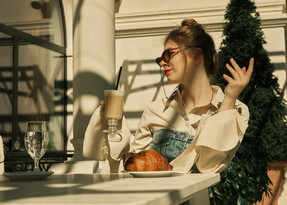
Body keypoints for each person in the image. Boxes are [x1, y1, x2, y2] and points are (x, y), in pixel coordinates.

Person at [83, 19, 254, 174]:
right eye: (160, 58)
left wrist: (229, 99)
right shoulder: (155, 110)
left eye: (168, 54)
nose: (162, 62)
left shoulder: (235, 110)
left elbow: (209, 166)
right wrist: (114, 129)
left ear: (196, 55)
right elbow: (131, 167)